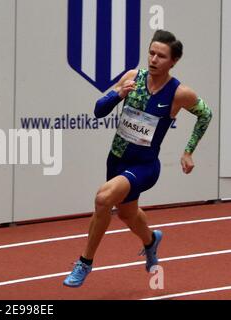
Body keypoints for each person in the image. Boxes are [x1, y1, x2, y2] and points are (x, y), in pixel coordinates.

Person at [63, 30, 212, 288]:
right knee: (127, 214)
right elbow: (98, 111)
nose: (153, 59)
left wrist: (188, 151)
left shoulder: (179, 93)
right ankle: (151, 240)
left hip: (144, 166)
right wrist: (118, 94)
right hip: (116, 159)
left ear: (173, 61)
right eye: (151, 53)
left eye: (161, 56)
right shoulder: (133, 77)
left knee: (103, 198)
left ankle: (85, 262)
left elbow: (206, 114)